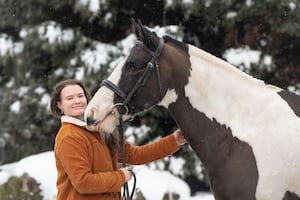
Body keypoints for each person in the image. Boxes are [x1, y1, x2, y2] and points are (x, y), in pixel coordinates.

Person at [50, 79, 186, 200]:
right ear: (59, 105)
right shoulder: (69, 137)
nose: (77, 101)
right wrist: (119, 177)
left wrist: (175, 140)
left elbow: (134, 155)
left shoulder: (99, 130)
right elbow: (83, 182)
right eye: (69, 98)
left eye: (80, 96)